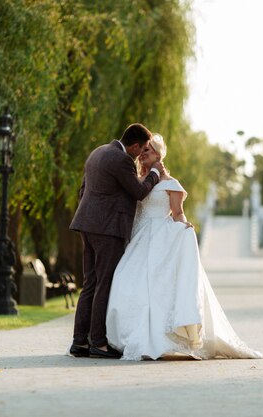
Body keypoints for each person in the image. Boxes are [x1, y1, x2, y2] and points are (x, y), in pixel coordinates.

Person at [106, 134, 263, 360]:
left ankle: (164, 337)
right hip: (138, 239)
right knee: (126, 281)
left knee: (158, 286)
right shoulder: (136, 182)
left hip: (161, 238)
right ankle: (125, 336)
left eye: (148, 151)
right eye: (142, 151)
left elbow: (177, 212)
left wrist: (184, 228)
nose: (143, 155)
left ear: (159, 156)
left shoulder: (171, 185)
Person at [68, 123, 165, 359]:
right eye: (141, 149)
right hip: (107, 228)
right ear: (133, 145)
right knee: (104, 282)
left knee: (90, 282)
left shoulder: (98, 152)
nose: (141, 153)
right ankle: (99, 343)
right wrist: (155, 173)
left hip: (87, 224)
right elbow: (139, 192)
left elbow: (83, 190)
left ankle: (79, 341)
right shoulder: (121, 160)